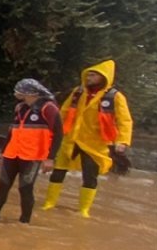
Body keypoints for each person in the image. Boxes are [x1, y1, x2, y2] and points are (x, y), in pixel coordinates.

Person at [42, 59, 133, 217]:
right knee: (58, 171)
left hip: (96, 143)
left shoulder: (115, 97)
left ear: (103, 78)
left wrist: (122, 141)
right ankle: (49, 203)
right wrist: (53, 131)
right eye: (88, 75)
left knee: (90, 176)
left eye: (93, 75)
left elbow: (124, 120)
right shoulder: (78, 92)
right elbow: (63, 111)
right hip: (71, 138)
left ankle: (83, 210)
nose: (89, 78)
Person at [0, 79, 62, 224]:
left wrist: (50, 158)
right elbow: (12, 131)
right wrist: (2, 151)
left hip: (32, 156)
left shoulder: (48, 108)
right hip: (12, 153)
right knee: (3, 185)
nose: (16, 93)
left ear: (30, 93)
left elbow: (59, 134)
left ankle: (24, 222)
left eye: (19, 90)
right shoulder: (20, 108)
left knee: (25, 188)